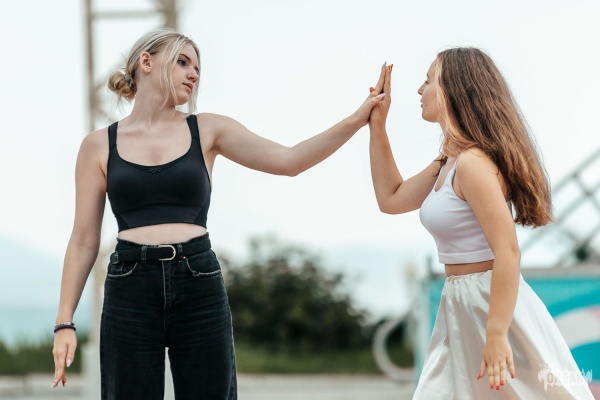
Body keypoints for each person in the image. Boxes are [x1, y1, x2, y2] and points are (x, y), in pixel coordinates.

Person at [51, 28, 386, 399]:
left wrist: (356, 120)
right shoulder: (98, 145)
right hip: (130, 285)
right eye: (182, 62)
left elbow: (288, 160)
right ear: (146, 62)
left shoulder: (208, 130)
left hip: (197, 279)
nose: (193, 74)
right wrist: (64, 321)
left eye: (197, 68)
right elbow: (83, 240)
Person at [367, 50, 594, 398]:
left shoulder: (472, 164)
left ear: (453, 90)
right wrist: (377, 126)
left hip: (490, 304)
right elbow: (391, 198)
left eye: (428, 80)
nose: (419, 90)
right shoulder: (449, 161)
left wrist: (497, 333)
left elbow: (508, 251)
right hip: (460, 302)